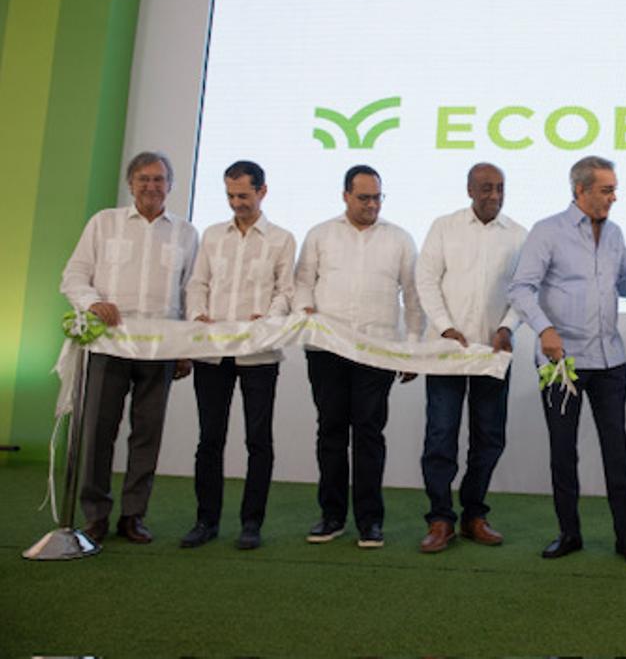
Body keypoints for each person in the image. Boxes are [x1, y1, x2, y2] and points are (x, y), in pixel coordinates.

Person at [508, 155, 626, 566]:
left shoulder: (617, 233)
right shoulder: (546, 232)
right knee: (563, 451)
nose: (614, 198)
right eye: (607, 190)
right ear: (580, 190)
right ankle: (569, 533)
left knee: (617, 452)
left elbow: (625, 284)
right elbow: (521, 289)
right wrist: (544, 329)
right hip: (561, 362)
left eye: (614, 189)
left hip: (610, 362)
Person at [61, 151, 198, 544]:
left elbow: (191, 293)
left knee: (147, 435)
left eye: (159, 179)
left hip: (160, 348)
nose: (151, 186)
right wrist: (91, 303)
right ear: (130, 183)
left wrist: (187, 346)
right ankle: (96, 516)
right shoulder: (104, 223)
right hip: (108, 345)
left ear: (170, 185)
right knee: (98, 433)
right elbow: (73, 275)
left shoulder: (186, 233)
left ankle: (134, 516)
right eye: (143, 179)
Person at [294, 165, 422, 549]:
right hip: (327, 349)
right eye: (364, 197)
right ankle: (331, 516)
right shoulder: (320, 234)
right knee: (331, 431)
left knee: (368, 433)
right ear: (345, 196)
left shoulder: (399, 239)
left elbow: (413, 296)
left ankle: (370, 521)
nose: (372, 205)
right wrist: (305, 312)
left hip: (377, 350)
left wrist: (411, 347)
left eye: (377, 197)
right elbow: (302, 283)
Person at [180, 160, 295, 550]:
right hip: (212, 353)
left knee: (258, 441)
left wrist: (271, 316)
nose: (237, 203)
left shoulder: (281, 239)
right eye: (230, 195)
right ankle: (205, 521)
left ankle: (251, 523)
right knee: (209, 439)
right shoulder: (212, 236)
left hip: (258, 353)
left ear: (262, 192)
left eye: (243, 195)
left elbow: (286, 290)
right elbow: (197, 284)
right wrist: (198, 315)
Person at [414, 163, 527, 553]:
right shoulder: (444, 226)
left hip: (492, 354)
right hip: (448, 351)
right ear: (468, 190)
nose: (493, 196)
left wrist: (508, 327)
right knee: (440, 436)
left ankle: (474, 514)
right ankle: (441, 519)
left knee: (489, 438)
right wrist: (445, 327)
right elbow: (425, 279)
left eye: (500, 188)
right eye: (485, 188)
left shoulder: (518, 235)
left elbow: (525, 291)